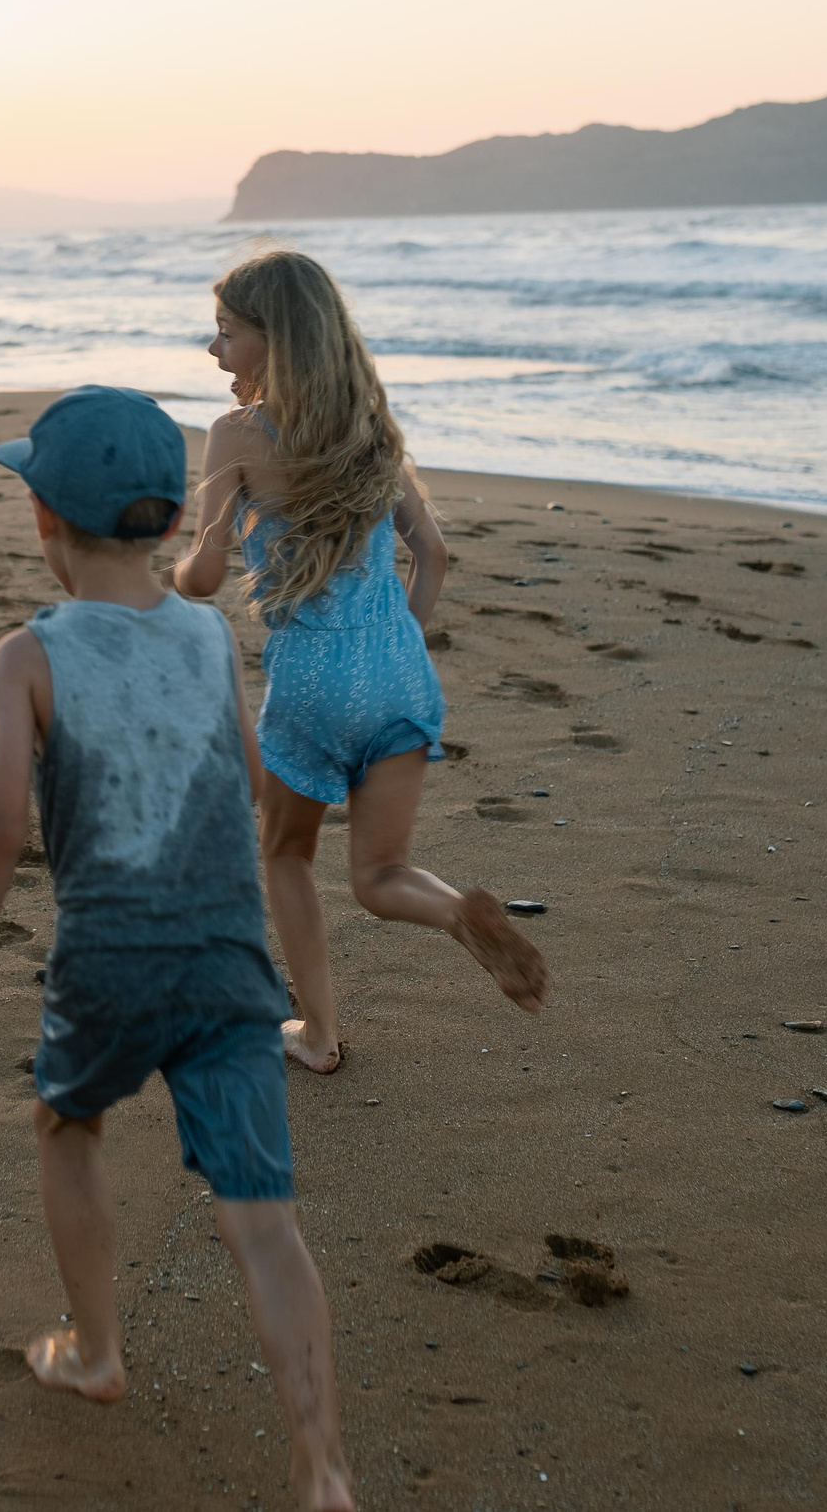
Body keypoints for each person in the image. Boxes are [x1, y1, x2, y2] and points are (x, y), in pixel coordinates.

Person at [0, 387, 354, 1512]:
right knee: (263, 1218)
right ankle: (322, 1468)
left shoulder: (28, 655)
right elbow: (252, 775)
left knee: (68, 1123)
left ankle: (95, 1351)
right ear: (166, 521)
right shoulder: (206, 634)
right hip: (227, 967)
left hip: (108, 965)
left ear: (43, 522)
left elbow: (1, 824)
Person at [166, 249, 547, 1073]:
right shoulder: (373, 434)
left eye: (226, 334)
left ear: (273, 342)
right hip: (401, 677)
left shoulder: (234, 435)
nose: (213, 350)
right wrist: (398, 642)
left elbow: (201, 581)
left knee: (285, 854)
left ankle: (320, 1035)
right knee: (382, 873)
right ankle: (455, 912)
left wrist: (186, 548)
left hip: (310, 681)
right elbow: (433, 554)